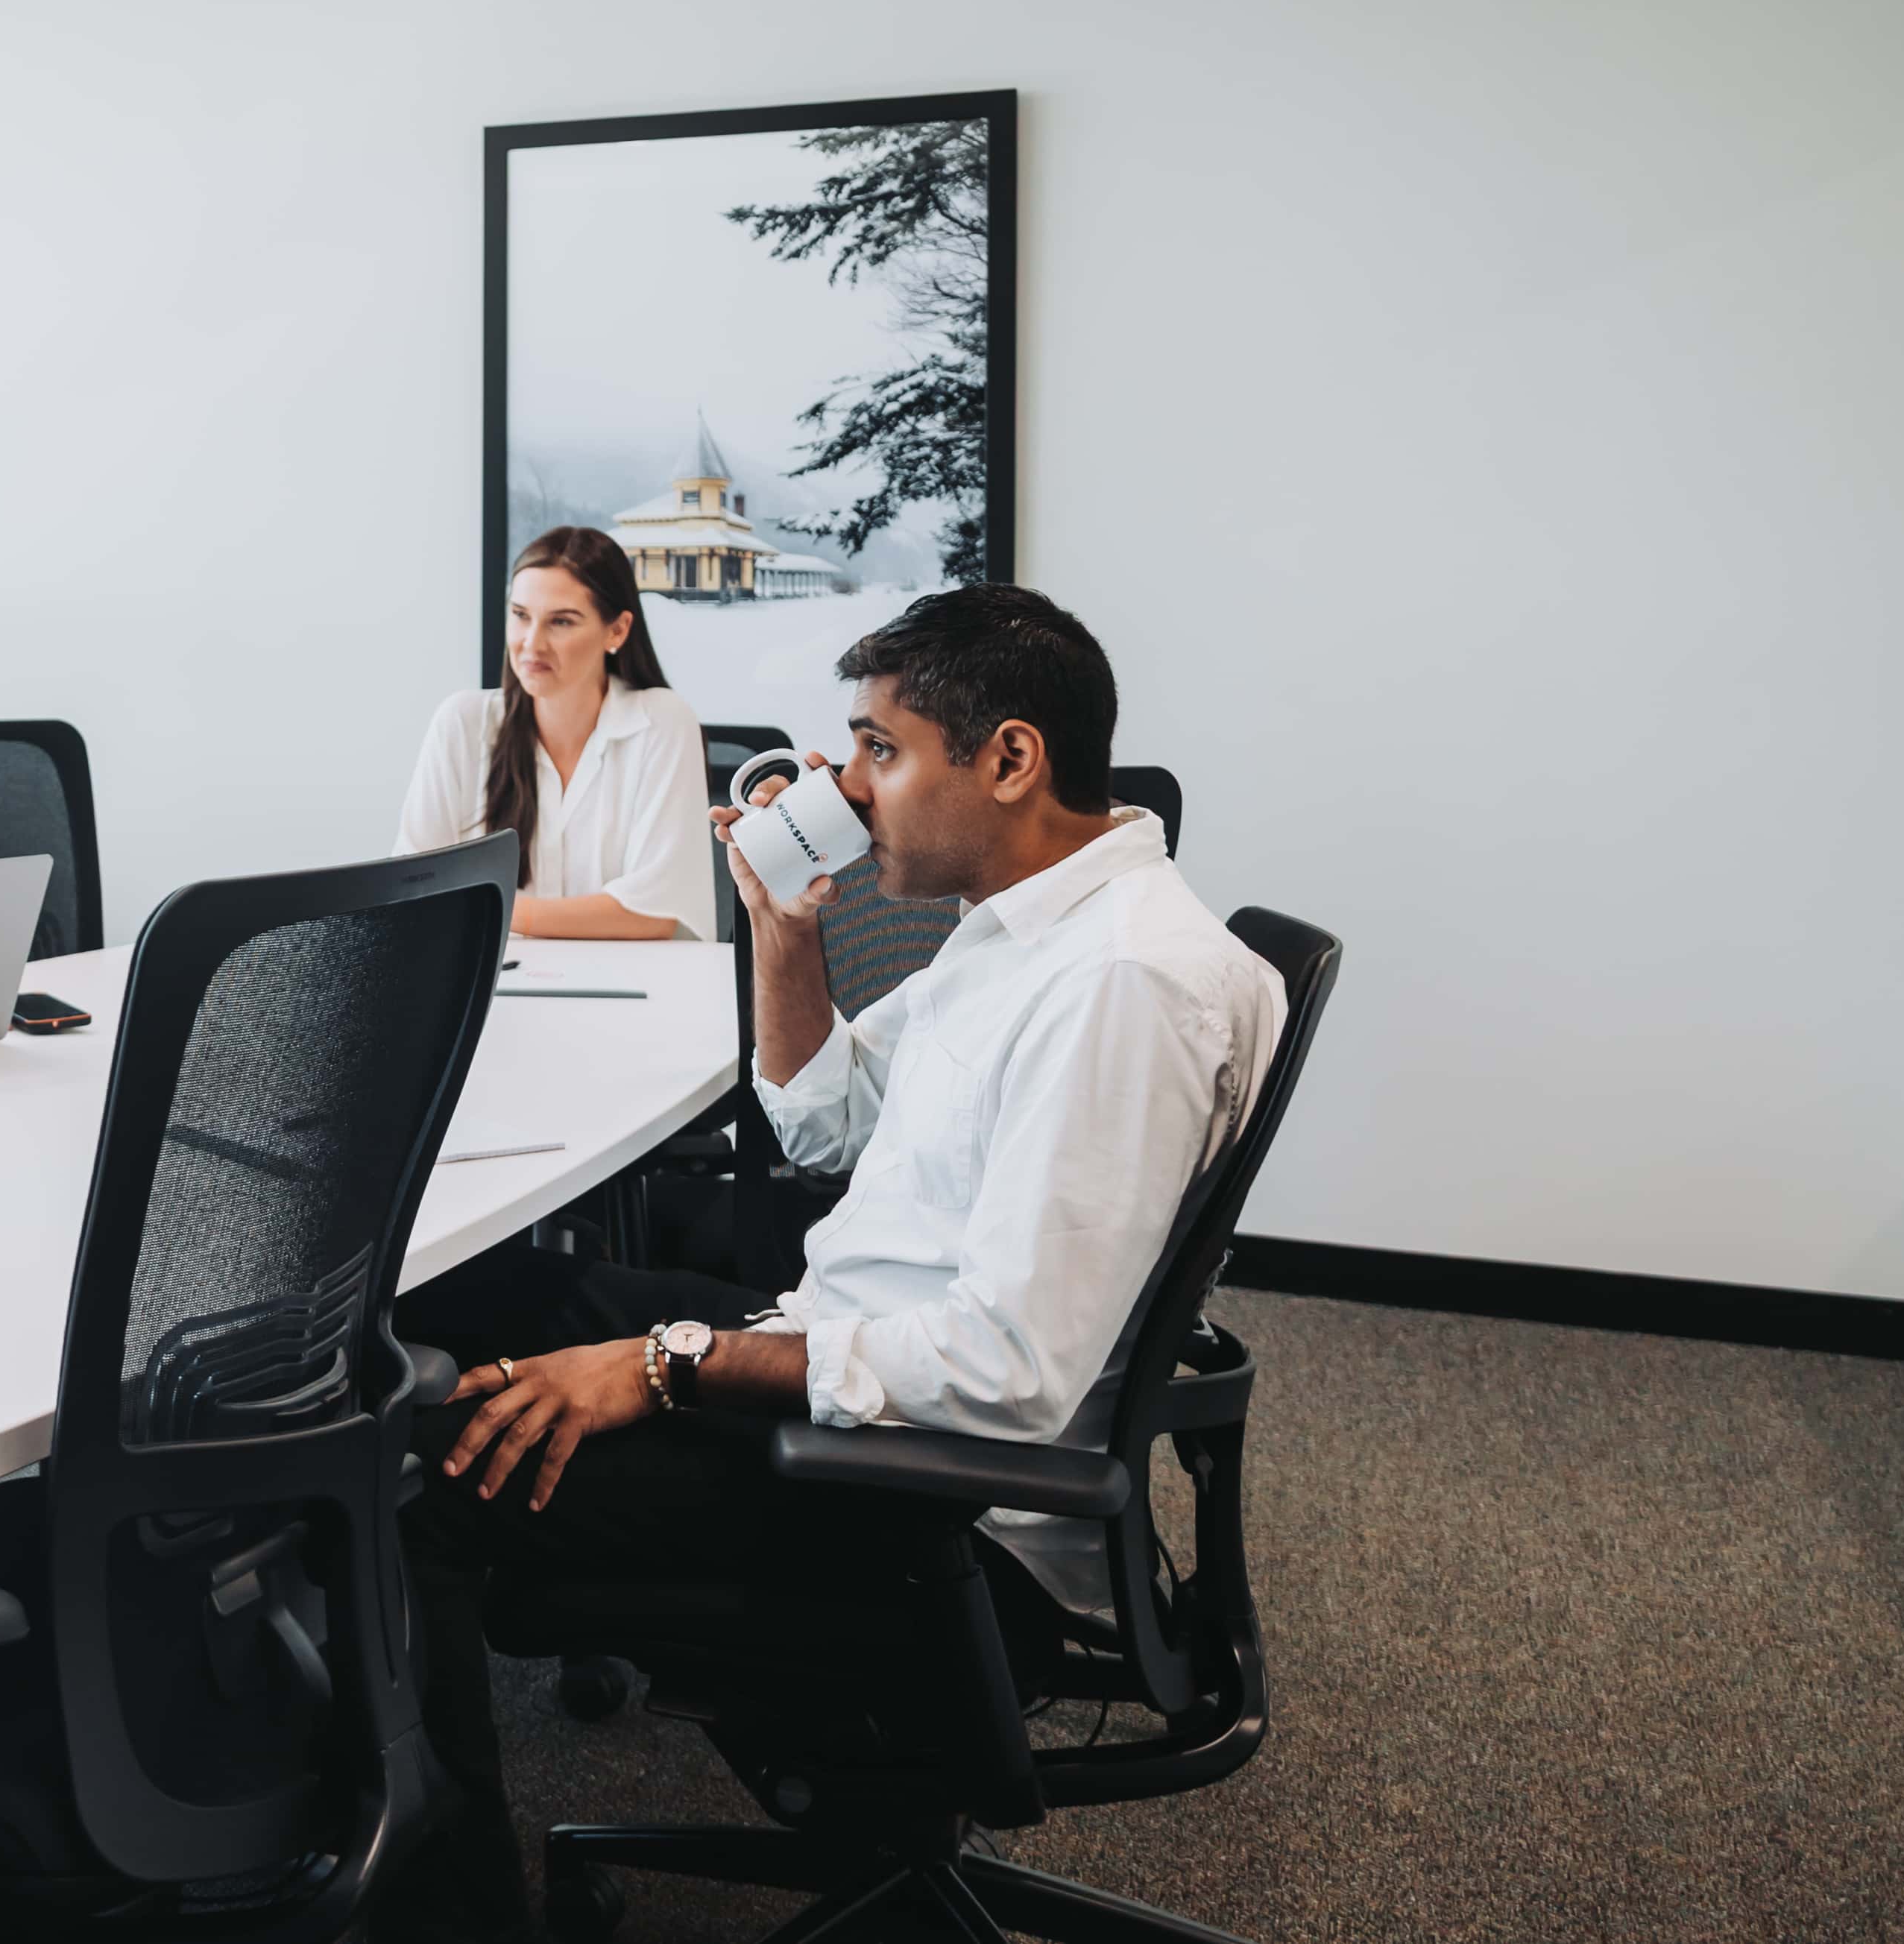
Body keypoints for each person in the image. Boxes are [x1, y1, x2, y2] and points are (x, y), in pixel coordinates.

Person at [379, 586, 1283, 1942]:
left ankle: (446, 1920)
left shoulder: (1118, 984)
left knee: (422, 1475)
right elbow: (824, 1116)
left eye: (877, 749)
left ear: (1008, 758)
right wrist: (784, 931)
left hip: (930, 1507)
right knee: (466, 1305)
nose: (846, 787)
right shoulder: (1024, 922)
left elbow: (1003, 1371)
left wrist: (663, 1363)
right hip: (853, 1352)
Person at [394, 526, 722, 941]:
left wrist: (488, 908)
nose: (532, 644)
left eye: (561, 622)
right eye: (520, 615)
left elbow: (651, 914)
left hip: (635, 991)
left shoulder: (663, 722)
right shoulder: (462, 722)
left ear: (617, 631)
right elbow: (411, 893)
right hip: (495, 992)